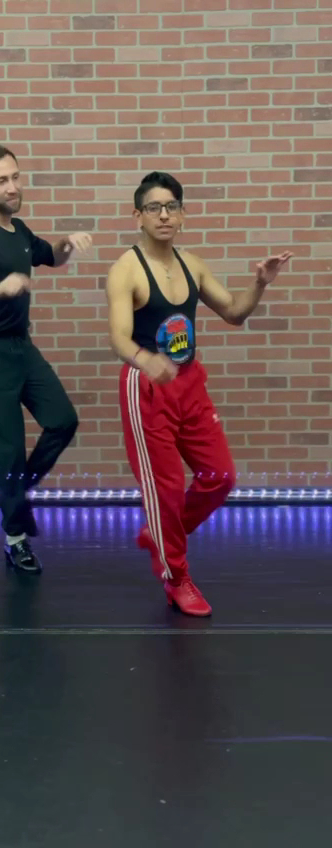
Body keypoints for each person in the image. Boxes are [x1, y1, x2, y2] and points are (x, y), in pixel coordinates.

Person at [106, 171, 292, 616]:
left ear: (183, 214)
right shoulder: (126, 269)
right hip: (147, 386)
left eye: (171, 206)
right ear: (138, 216)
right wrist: (145, 360)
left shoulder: (192, 264)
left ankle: (160, 534)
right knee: (167, 492)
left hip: (189, 382)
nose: (163, 215)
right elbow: (119, 338)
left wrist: (261, 282)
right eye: (154, 207)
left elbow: (233, 313)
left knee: (220, 476)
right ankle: (176, 578)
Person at [0, 143, 92, 574]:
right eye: (1, 180)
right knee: (8, 450)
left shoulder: (20, 230)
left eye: (15, 177)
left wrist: (66, 243)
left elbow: (52, 257)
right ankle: (15, 539)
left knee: (63, 420)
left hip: (19, 346)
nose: (12, 187)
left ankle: (17, 492)